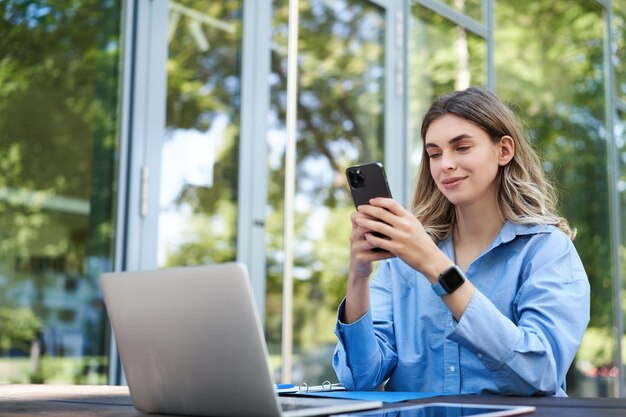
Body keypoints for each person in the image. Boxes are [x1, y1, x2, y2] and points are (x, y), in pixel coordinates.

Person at [333, 87, 590, 396]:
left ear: (504, 150)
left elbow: (540, 372)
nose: (445, 164)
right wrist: (358, 275)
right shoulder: (402, 259)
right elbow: (361, 379)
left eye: (462, 147)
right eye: (434, 154)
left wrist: (436, 266)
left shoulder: (547, 250)